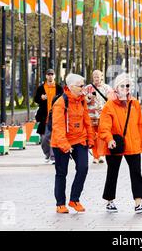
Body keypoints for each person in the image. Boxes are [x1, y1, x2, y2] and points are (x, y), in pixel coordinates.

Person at [98, 73, 142, 214]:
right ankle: (110, 201)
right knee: (112, 173)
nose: (125, 88)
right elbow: (104, 126)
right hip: (115, 144)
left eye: (128, 86)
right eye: (122, 85)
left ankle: (138, 204)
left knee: (136, 173)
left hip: (133, 144)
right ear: (116, 87)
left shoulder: (134, 103)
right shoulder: (109, 105)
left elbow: (140, 124)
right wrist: (109, 139)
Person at [50, 73, 95, 214]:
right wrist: (65, 145)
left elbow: (86, 120)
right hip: (61, 142)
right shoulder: (61, 102)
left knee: (83, 168)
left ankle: (74, 199)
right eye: (81, 86)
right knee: (61, 173)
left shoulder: (82, 100)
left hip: (80, 139)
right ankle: (60, 203)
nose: (84, 88)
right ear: (71, 87)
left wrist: (91, 138)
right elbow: (57, 127)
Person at [34, 69, 63, 164]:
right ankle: (47, 154)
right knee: (44, 139)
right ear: (46, 76)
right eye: (48, 74)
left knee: (53, 137)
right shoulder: (41, 88)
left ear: (54, 76)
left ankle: (53, 156)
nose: (50, 76)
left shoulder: (59, 88)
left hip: (56, 117)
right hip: (44, 117)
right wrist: (41, 98)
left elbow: (64, 100)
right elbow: (36, 99)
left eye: (52, 74)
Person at [84, 70, 113, 164]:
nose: (96, 78)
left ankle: (101, 155)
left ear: (102, 77)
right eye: (94, 76)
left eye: (98, 76)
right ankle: (95, 156)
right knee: (92, 137)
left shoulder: (107, 88)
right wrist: (88, 98)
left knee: (101, 135)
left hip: (103, 116)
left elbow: (112, 101)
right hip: (91, 116)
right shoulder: (88, 88)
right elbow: (82, 99)